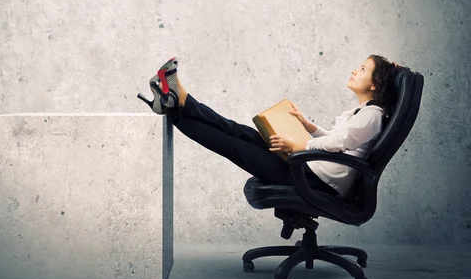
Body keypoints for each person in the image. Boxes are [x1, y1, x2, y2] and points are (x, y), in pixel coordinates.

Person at [137, 55, 400, 198]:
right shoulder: (361, 112)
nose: (355, 71)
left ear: (375, 85)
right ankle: (180, 100)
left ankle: (174, 111)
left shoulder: (372, 115)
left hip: (315, 181)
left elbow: (337, 145)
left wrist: (297, 145)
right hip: (309, 168)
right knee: (239, 131)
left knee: (233, 145)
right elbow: (339, 140)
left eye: (363, 69)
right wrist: (307, 125)